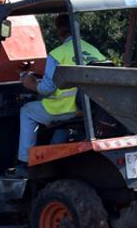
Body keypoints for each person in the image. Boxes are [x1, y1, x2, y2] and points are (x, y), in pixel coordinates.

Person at [12, 13, 106, 177]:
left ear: (60, 32)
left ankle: (24, 162)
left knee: (27, 110)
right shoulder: (94, 51)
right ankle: (53, 157)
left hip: (66, 107)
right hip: (89, 109)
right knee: (63, 124)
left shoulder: (57, 54)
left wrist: (30, 82)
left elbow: (47, 89)